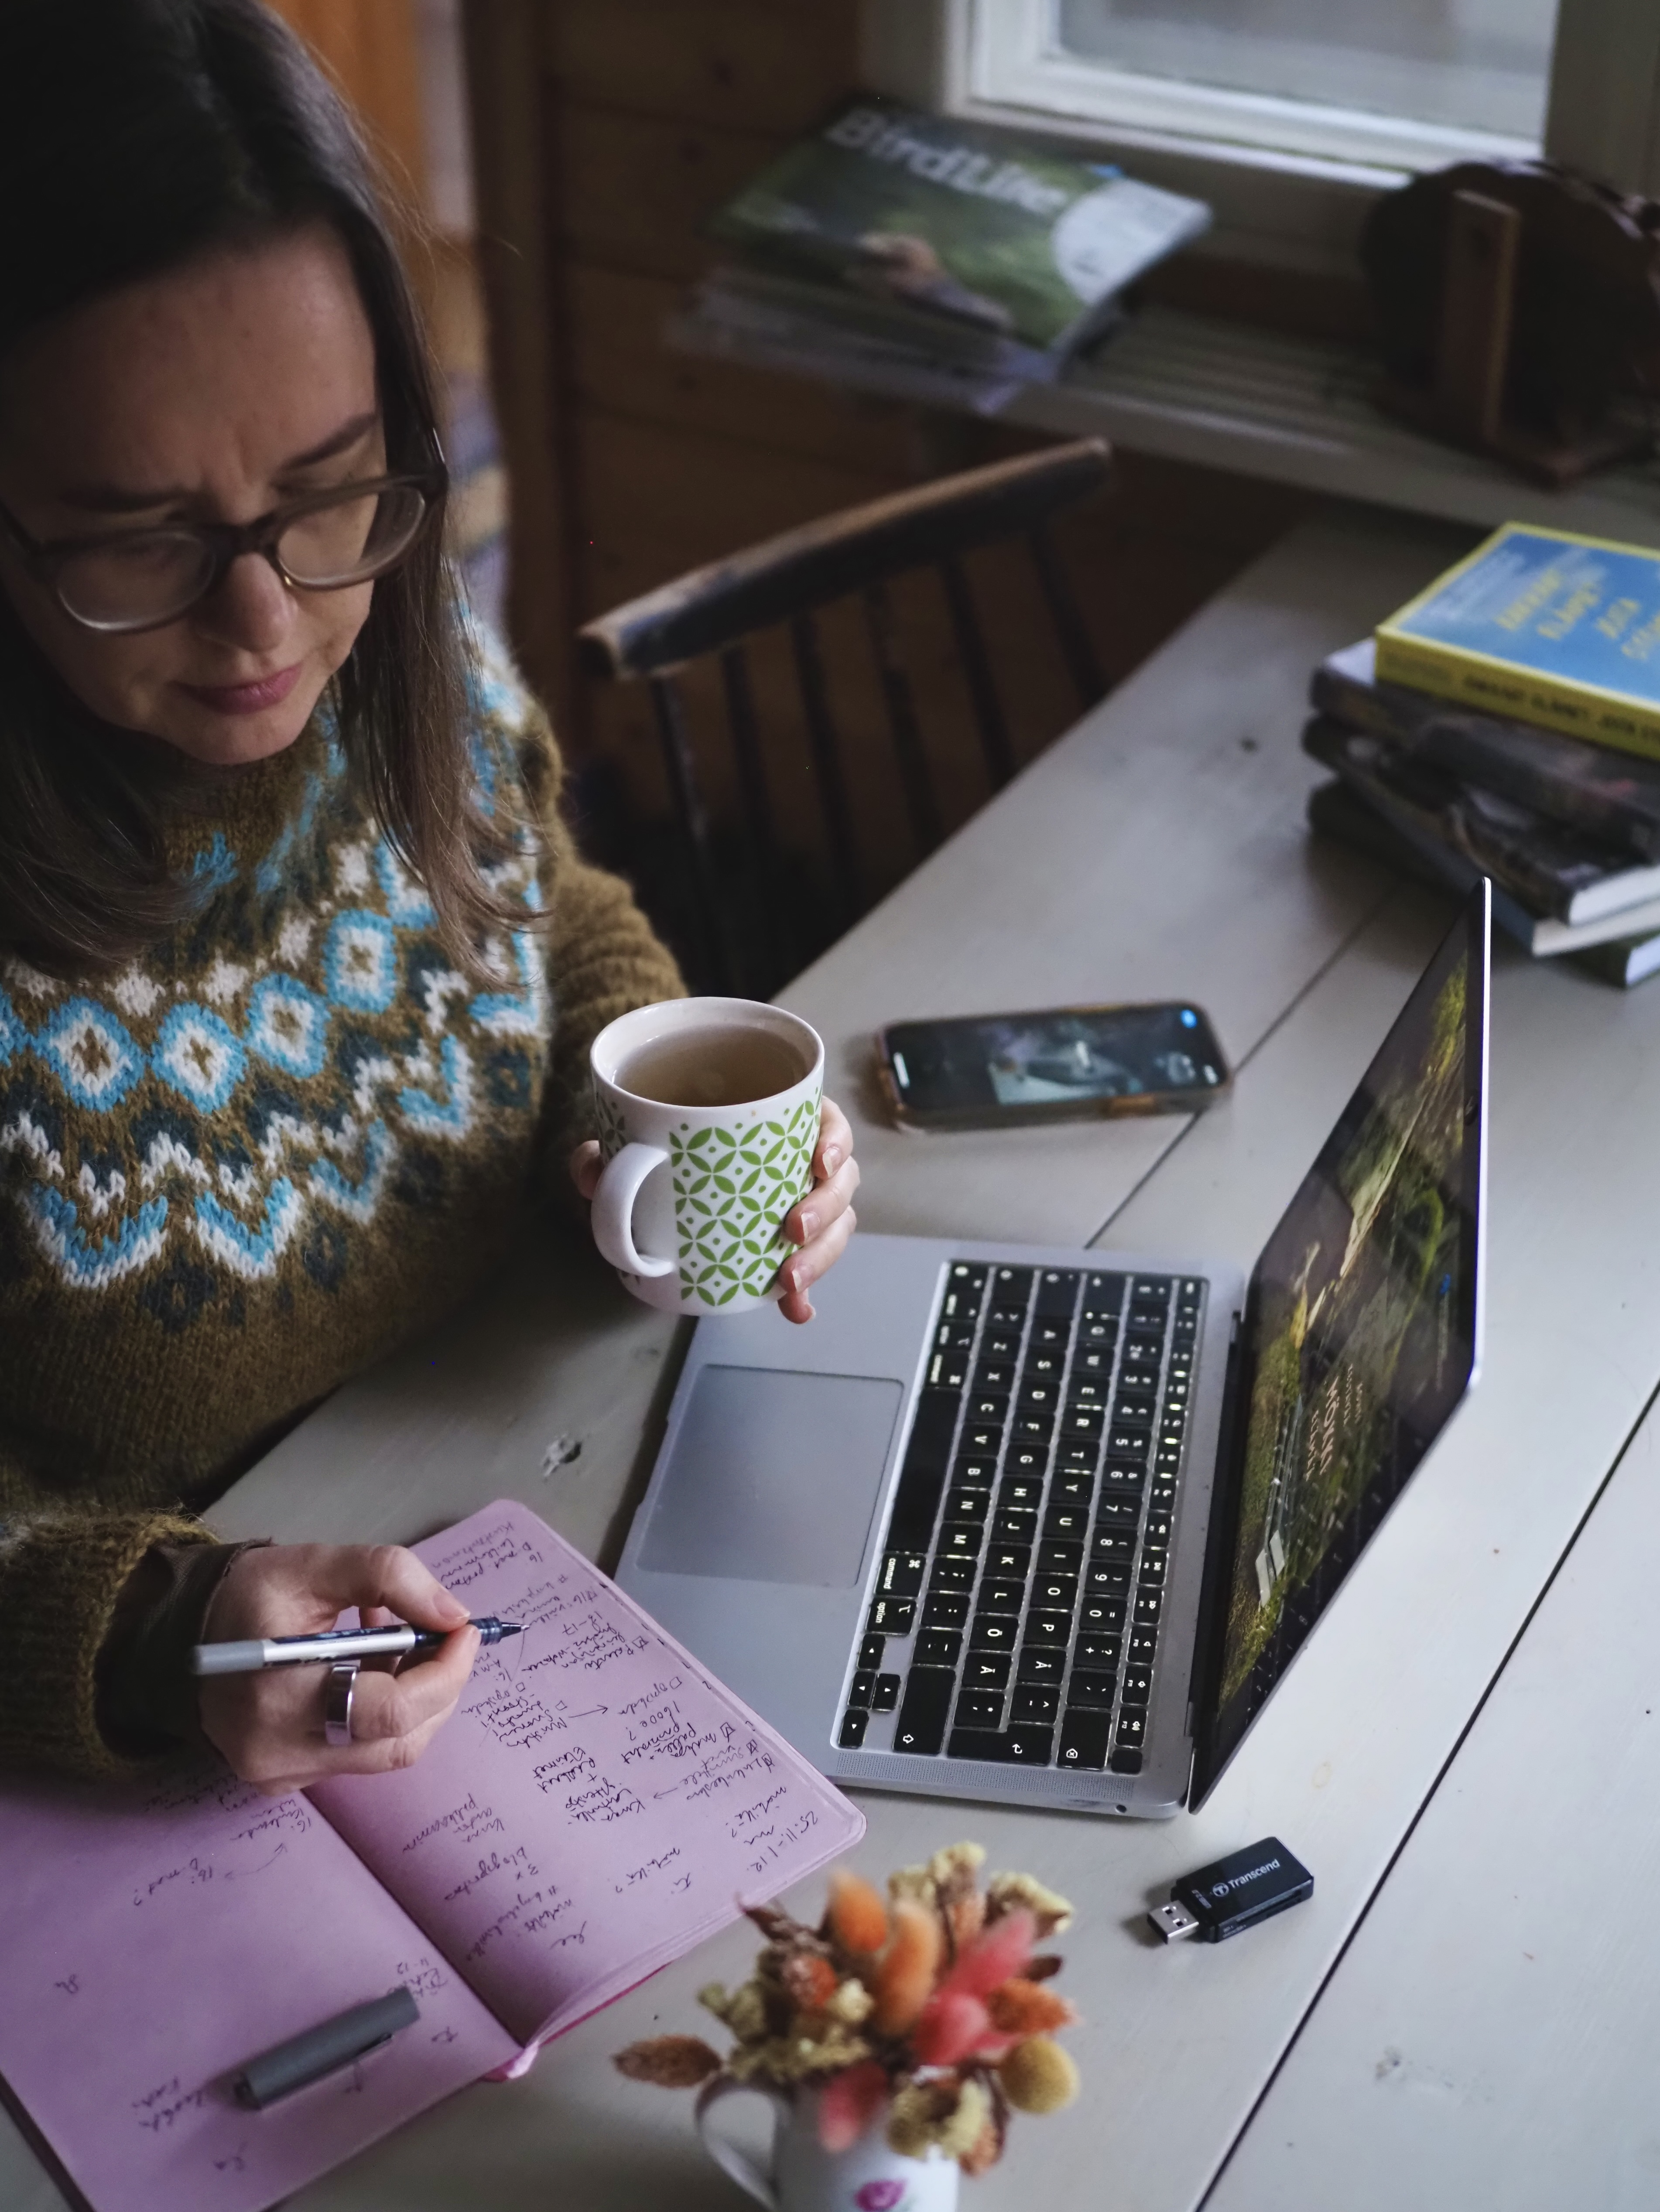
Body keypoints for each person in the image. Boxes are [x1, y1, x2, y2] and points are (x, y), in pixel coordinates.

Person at [0, 0, 859, 1794]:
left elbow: (547, 916)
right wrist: (160, 1625)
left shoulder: (393, 627)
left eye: (330, 493)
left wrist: (654, 1117)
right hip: (189, 1758)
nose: (266, 627)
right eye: (140, 541)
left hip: (566, 1509)